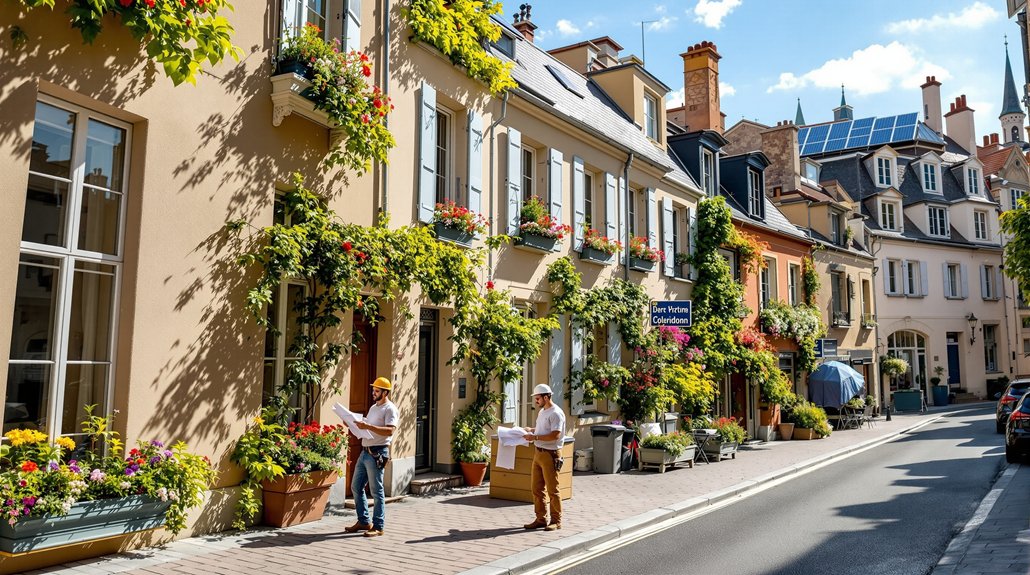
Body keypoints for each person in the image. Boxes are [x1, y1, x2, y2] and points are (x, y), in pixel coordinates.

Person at [344, 376, 398, 537]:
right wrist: (354, 423)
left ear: (385, 392)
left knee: (376, 491)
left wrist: (367, 426)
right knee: (356, 487)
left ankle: (379, 526)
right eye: (373, 390)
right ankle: (364, 521)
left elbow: (390, 430)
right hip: (365, 452)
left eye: (377, 391)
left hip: (378, 453)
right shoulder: (374, 407)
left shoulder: (390, 409)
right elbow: (369, 426)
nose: (373, 393)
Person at [521, 383, 566, 531]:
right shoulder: (543, 412)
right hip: (539, 453)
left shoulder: (556, 413)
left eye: (538, 398)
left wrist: (534, 437)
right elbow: (543, 430)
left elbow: (555, 435)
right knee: (537, 489)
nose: (536, 401)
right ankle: (541, 519)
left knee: (553, 490)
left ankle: (556, 521)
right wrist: (532, 430)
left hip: (550, 454)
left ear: (546, 397)